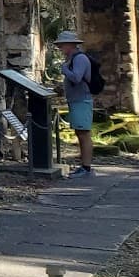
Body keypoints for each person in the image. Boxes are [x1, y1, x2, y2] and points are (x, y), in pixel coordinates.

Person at [54, 30, 95, 175]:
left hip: (82, 100)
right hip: (75, 100)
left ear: (70, 44)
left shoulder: (80, 59)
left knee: (84, 134)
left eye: (62, 45)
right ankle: (84, 165)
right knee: (80, 133)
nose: (60, 48)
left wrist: (65, 70)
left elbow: (77, 78)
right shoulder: (72, 58)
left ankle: (87, 167)